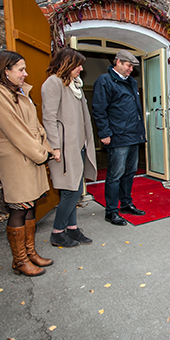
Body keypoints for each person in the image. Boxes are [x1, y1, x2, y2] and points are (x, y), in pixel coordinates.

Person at [0, 51, 54, 276]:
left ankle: (30, 252)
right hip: (16, 157)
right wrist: (41, 154)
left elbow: (35, 125)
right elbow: (15, 131)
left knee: (30, 204)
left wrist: (47, 148)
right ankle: (20, 260)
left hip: (31, 154)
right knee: (19, 206)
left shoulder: (19, 91)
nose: (25, 73)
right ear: (6, 70)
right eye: (20, 69)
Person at [42, 48, 97, 247]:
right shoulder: (53, 83)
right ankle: (57, 232)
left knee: (75, 188)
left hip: (78, 146)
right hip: (64, 148)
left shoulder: (75, 85)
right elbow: (49, 117)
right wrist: (55, 147)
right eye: (78, 65)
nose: (81, 69)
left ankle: (72, 229)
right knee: (70, 191)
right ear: (67, 63)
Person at [92, 50, 146, 226]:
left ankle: (126, 203)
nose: (131, 70)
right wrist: (105, 133)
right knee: (115, 175)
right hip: (117, 137)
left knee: (130, 173)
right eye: (129, 66)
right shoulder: (105, 81)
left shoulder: (131, 82)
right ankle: (111, 211)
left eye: (132, 67)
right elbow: (99, 110)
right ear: (118, 62)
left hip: (133, 135)